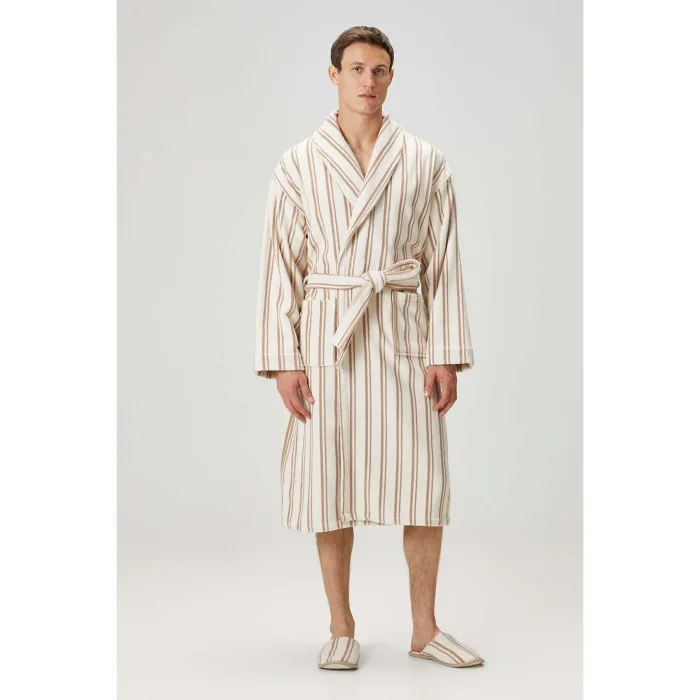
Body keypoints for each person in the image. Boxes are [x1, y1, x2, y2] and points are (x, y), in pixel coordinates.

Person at [254, 25, 483, 671]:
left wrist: (444, 352)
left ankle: (425, 629)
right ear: (334, 75)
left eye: (379, 70)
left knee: (423, 482)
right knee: (330, 482)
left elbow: (444, 262)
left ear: (391, 77)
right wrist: (286, 360)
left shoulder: (424, 161)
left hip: (401, 333)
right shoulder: (299, 163)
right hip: (329, 337)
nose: (368, 81)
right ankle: (341, 626)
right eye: (356, 68)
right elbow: (280, 266)